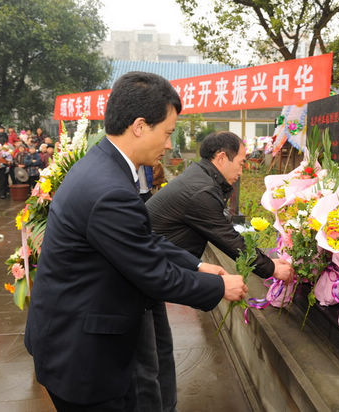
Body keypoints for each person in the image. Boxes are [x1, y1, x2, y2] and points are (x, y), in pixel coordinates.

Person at [24, 71, 247, 412]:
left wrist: (198, 264)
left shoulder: (102, 167)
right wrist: (219, 288)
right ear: (140, 126)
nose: (170, 144)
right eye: (168, 133)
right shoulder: (110, 189)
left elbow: (141, 240)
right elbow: (152, 272)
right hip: (84, 358)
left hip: (73, 338)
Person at [140, 131, 293, 410]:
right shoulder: (201, 190)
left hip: (153, 273)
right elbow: (230, 239)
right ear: (222, 157)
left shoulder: (201, 178)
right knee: (150, 360)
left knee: (160, 353)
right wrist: (272, 269)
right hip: (143, 279)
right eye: (242, 162)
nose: (243, 168)